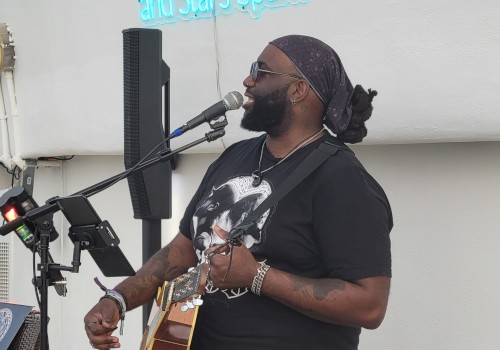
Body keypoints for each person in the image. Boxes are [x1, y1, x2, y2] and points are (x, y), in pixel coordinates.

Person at [84, 34, 393, 350]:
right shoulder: (235, 156)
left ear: (298, 90)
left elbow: (369, 306)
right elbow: (182, 250)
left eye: (260, 71)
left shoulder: (342, 180)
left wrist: (257, 276)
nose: (247, 80)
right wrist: (119, 298)